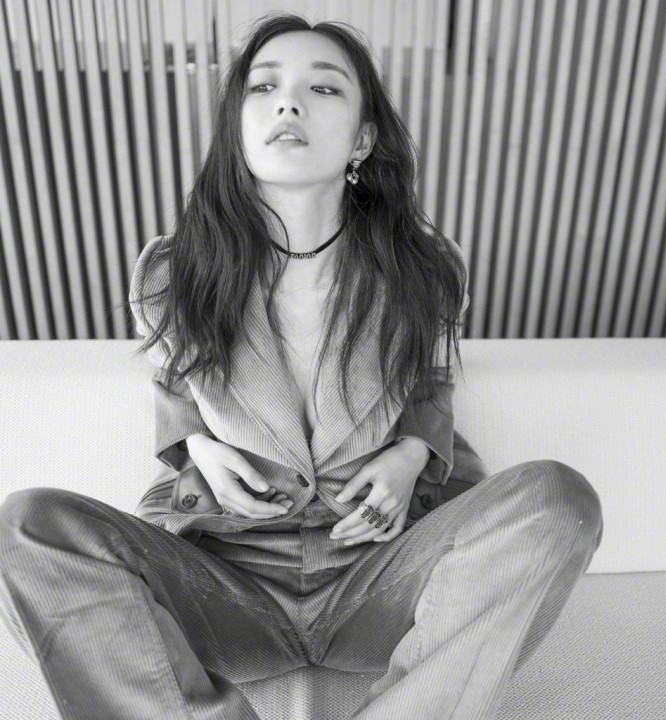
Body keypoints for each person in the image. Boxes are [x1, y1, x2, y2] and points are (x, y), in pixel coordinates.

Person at [0, 12, 603, 720]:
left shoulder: (425, 268)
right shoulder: (173, 272)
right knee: (26, 525)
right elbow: (176, 377)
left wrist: (414, 453)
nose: (287, 103)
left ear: (363, 139)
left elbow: (430, 377)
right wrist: (195, 446)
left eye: (323, 88)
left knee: (559, 498)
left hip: (384, 582)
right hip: (226, 586)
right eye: (264, 87)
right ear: (238, 128)